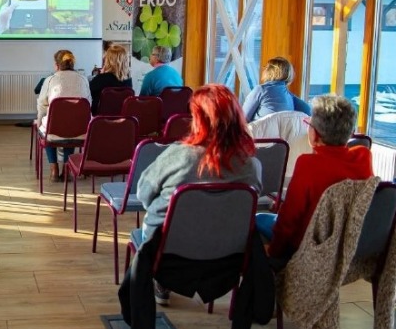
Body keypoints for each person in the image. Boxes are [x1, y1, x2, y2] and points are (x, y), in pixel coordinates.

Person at [136, 84, 262, 305]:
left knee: (158, 226)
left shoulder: (179, 156)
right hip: (228, 256)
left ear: (198, 118)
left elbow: (143, 194)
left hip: (168, 255)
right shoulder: (250, 165)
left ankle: (162, 283)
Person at [256, 94, 373, 264]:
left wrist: (274, 252)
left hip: (309, 245)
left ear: (315, 134)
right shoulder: (363, 157)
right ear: (351, 132)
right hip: (347, 245)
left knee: (258, 219)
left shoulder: (308, 165)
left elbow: (288, 221)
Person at [37, 50, 91, 181]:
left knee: (48, 127)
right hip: (80, 131)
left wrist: (39, 122)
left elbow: (42, 105)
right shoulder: (83, 79)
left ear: (56, 65)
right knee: (72, 122)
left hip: (54, 132)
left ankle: (54, 169)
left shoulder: (50, 80)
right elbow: (88, 103)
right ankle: (67, 169)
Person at [242, 56, 311, 122]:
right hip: (283, 134)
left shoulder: (260, 90)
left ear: (269, 71)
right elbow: (309, 111)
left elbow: (242, 118)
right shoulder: (289, 96)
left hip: (258, 133)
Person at [89, 44, 132, 114]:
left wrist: (101, 75)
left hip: (100, 120)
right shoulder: (128, 81)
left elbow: (88, 97)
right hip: (122, 120)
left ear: (108, 60)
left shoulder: (99, 79)